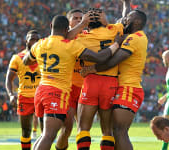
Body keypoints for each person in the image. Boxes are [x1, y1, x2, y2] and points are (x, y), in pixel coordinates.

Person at [23, 14, 123, 150]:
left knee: (44, 135)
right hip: (56, 92)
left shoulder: (40, 44)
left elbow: (26, 61)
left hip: (41, 91)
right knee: (48, 135)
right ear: (66, 29)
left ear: (51, 26)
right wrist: (116, 44)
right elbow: (99, 57)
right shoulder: (71, 45)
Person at [81, 9, 148, 150]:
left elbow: (113, 61)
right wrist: (125, 4)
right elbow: (122, 21)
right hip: (120, 86)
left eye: (128, 18)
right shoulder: (132, 36)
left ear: (136, 22)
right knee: (115, 131)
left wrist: (92, 69)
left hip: (129, 88)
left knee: (119, 131)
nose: (124, 20)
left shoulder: (134, 38)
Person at [75, 1, 130, 149]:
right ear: (103, 20)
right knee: (107, 131)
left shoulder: (82, 37)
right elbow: (125, 18)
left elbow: (67, 36)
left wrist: (81, 23)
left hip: (91, 81)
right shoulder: (114, 30)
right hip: (111, 82)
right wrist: (127, 3)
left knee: (83, 129)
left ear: (87, 23)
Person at [5, 30, 41, 150]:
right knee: (26, 131)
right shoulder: (17, 58)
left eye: (37, 39)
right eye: (32, 39)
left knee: (46, 131)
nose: (35, 41)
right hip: (24, 98)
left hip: (41, 97)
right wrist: (10, 94)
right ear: (26, 40)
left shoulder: (44, 57)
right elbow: (9, 79)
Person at [54, 8, 84, 150]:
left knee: (83, 129)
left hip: (85, 88)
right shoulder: (63, 38)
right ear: (69, 22)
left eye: (81, 18)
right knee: (67, 127)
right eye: (75, 18)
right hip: (69, 88)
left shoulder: (88, 36)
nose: (79, 20)